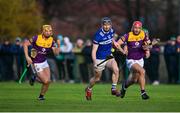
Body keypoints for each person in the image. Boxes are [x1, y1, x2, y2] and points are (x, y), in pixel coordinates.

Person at [85, 17, 120, 100]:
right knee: (97, 78)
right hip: (99, 59)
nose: (107, 27)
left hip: (108, 56)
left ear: (111, 25)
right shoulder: (98, 35)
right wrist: (94, 62)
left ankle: (113, 89)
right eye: (105, 25)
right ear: (102, 25)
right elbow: (94, 50)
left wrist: (118, 47)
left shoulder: (112, 31)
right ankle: (89, 89)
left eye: (108, 25)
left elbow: (112, 40)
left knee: (116, 69)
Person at [23, 25, 60, 100]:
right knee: (46, 81)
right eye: (46, 31)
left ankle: (41, 97)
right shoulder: (36, 38)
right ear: (43, 31)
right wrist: (27, 57)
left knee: (48, 81)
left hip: (44, 62)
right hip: (36, 62)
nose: (48, 33)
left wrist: (58, 45)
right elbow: (25, 44)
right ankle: (35, 78)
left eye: (50, 31)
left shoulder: (51, 40)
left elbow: (56, 54)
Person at [117, 21, 151, 100]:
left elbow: (147, 44)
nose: (136, 29)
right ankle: (143, 93)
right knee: (142, 71)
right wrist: (123, 50)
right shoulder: (128, 35)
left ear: (141, 28)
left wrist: (147, 51)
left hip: (140, 59)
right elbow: (117, 44)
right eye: (135, 28)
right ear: (132, 27)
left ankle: (124, 87)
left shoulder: (143, 34)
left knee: (134, 80)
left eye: (138, 28)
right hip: (131, 60)